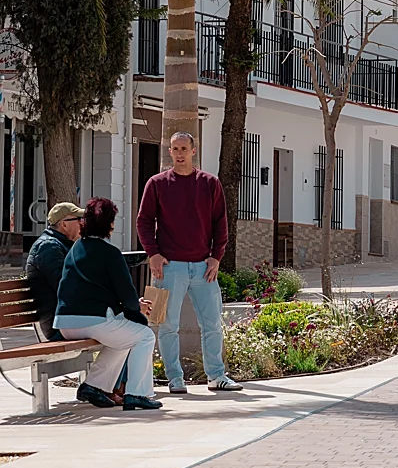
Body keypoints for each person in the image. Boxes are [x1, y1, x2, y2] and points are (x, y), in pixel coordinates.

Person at [137, 132, 242, 394]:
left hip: (203, 268)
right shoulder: (157, 183)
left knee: (212, 324)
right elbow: (144, 221)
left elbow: (221, 223)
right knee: (166, 325)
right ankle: (175, 379)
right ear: (170, 152)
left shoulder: (209, 183)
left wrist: (216, 257)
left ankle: (217, 376)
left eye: (184, 148)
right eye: (175, 149)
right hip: (168, 267)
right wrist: (153, 253)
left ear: (194, 151)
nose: (180, 153)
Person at [55, 197, 160, 411]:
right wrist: (137, 306)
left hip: (65, 324)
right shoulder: (110, 253)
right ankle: (138, 393)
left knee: (123, 338)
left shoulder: (76, 248)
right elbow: (127, 294)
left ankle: (94, 386)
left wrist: (129, 305)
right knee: (144, 336)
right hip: (92, 321)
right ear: (109, 225)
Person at [25, 202, 85, 341]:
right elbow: (65, 287)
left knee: (127, 330)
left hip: (68, 319)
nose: (83, 224)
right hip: (59, 325)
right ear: (64, 224)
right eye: (79, 220)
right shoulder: (48, 247)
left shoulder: (63, 246)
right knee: (129, 331)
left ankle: (103, 365)